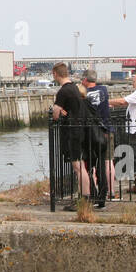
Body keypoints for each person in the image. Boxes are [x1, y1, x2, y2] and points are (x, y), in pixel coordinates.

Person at [51, 63, 92, 205]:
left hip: (72, 132)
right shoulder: (74, 87)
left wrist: (58, 112)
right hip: (79, 129)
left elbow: (55, 114)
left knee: (78, 166)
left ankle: (85, 197)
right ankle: (84, 196)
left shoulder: (63, 91)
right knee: (80, 166)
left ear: (55, 74)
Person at [79, 70, 110, 206]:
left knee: (87, 166)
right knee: (101, 165)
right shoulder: (104, 90)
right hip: (103, 132)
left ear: (85, 79)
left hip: (89, 135)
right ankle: (102, 196)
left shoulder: (84, 98)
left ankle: (91, 194)